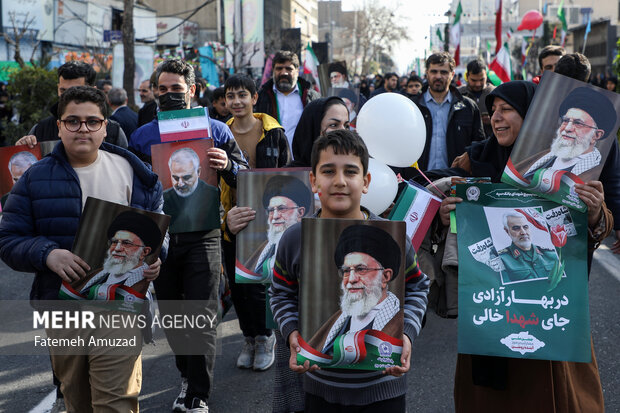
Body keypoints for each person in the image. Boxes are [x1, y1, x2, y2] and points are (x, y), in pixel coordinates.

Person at [436, 81, 609, 412]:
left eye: (506, 110)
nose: (496, 119)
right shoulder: (475, 160)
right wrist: (446, 215)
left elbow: (596, 226)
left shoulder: (561, 163)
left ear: (529, 116)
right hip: (491, 307)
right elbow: (450, 215)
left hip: (549, 305)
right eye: (492, 112)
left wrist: (597, 211)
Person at [0, 85, 164, 412]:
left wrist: (158, 258)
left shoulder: (137, 173)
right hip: (63, 309)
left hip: (122, 306)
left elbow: (159, 227)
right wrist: (47, 253)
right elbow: (8, 239)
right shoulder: (34, 178)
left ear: (106, 126)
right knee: (77, 399)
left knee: (116, 401)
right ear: (58, 125)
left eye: (92, 121)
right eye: (72, 121)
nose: (83, 129)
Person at [269, 129, 430, 412]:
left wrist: (404, 335)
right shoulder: (295, 238)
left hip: (383, 390)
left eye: (351, 172)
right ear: (313, 180)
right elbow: (281, 292)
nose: (340, 181)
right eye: (328, 171)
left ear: (366, 181)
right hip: (319, 389)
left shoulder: (394, 236)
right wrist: (292, 332)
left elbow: (416, 286)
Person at [131, 59, 247, 412]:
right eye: (162, 89)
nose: (168, 95)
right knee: (173, 315)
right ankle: (186, 374)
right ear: (153, 92)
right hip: (161, 238)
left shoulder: (218, 131)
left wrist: (228, 166)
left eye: (176, 89)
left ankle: (198, 393)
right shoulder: (142, 135)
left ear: (192, 90)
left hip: (204, 235)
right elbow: (132, 189)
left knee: (201, 313)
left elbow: (247, 177)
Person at [226, 175, 310, 372]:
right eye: (271, 210)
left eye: (281, 209)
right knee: (241, 293)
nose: (275, 216)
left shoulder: (311, 250)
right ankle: (251, 338)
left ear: (301, 212)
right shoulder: (255, 258)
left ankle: (265, 338)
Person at [308, 224, 403, 354]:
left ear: (385, 277)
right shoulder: (337, 321)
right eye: (346, 271)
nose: (351, 279)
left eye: (361, 269)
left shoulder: (399, 323)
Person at [16, 61, 128, 149]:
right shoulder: (40, 130)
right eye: (63, 90)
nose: (67, 97)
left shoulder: (114, 132)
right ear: (59, 127)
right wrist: (23, 151)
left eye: (75, 91)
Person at [522, 87, 616, 181]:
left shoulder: (597, 174)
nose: (567, 128)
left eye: (578, 123)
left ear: (596, 135)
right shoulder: (542, 157)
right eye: (566, 121)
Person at [412, 52, 485, 171]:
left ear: (452, 74)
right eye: (434, 71)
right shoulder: (413, 107)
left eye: (444, 72)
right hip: (419, 181)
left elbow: (479, 146)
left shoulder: (468, 107)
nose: (438, 76)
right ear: (427, 74)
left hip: (456, 181)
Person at [71, 211, 162, 298]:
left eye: (126, 243)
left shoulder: (142, 286)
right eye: (114, 242)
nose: (117, 248)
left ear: (144, 252)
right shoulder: (97, 274)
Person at [255, 50, 320, 153]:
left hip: (303, 161)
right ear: (273, 71)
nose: (283, 73)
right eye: (279, 68)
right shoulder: (261, 97)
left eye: (289, 69)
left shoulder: (312, 98)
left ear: (297, 71)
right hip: (272, 161)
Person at [223, 74, 290, 168]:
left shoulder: (273, 133)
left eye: (242, 95)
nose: (236, 102)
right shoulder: (221, 134)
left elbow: (287, 170)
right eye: (230, 96)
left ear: (254, 98)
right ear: (225, 101)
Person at [163, 147, 220, 234]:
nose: (180, 183)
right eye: (176, 178)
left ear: (198, 172)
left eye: (186, 177)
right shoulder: (163, 199)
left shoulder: (213, 195)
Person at [289, 96, 349, 167]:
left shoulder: (353, 170)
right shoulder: (288, 176)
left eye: (346, 126)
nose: (343, 131)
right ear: (313, 128)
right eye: (333, 125)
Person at [497, 211, 556, 282]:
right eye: (516, 228)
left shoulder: (552, 255)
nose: (523, 232)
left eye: (525, 227)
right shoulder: (502, 260)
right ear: (507, 231)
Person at [458, 59, 495, 138]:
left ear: (486, 75)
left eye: (482, 80)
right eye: (474, 80)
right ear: (467, 76)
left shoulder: (496, 93)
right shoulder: (458, 94)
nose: (478, 84)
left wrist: (493, 119)